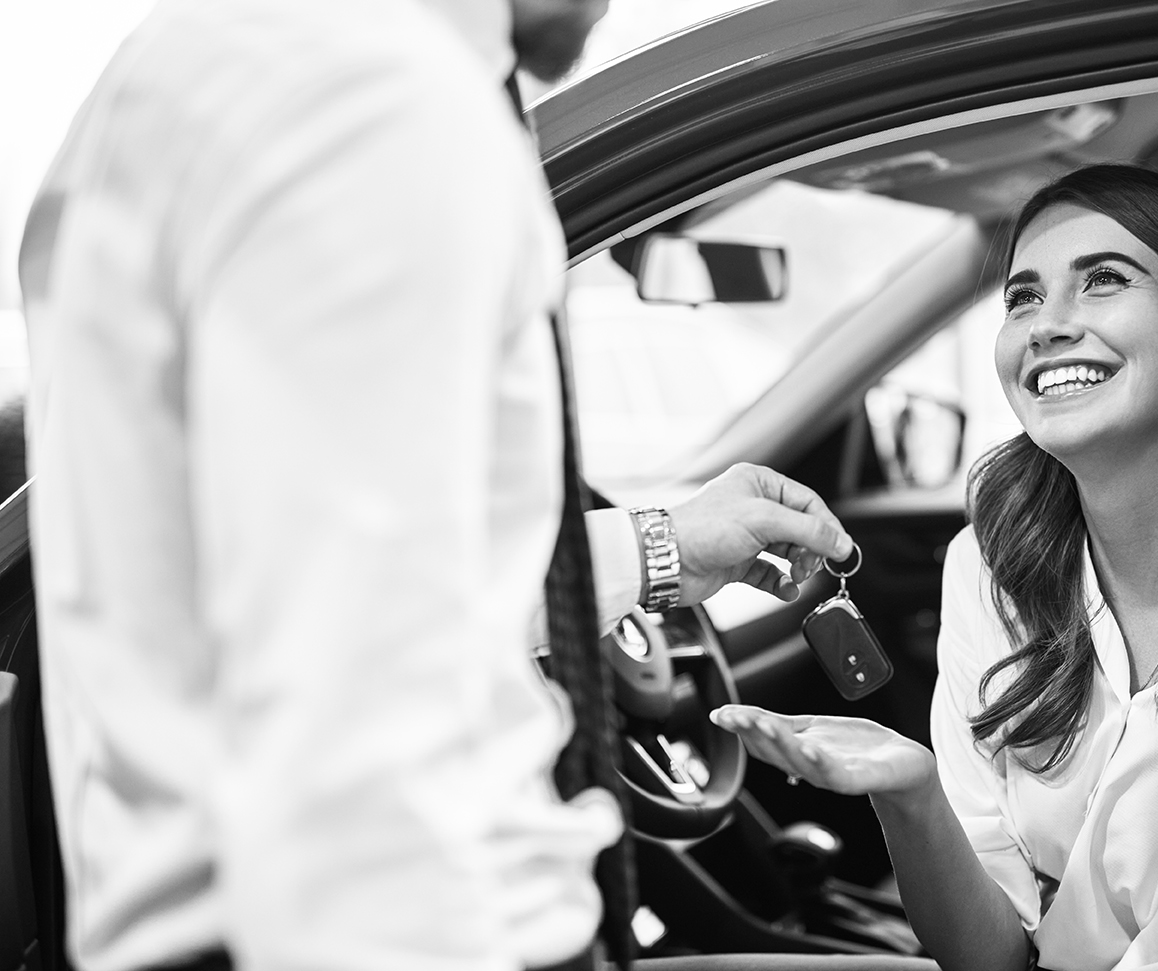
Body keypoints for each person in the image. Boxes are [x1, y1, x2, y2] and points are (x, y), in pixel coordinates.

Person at [16, 1, 856, 971]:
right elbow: (358, 719)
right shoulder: (378, 98)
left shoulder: (197, 64)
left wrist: (659, 546)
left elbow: (368, 579)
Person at [713, 163, 1158, 971]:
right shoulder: (989, 565)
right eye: (1023, 296)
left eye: (1103, 281)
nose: (1045, 326)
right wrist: (910, 794)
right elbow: (988, 958)